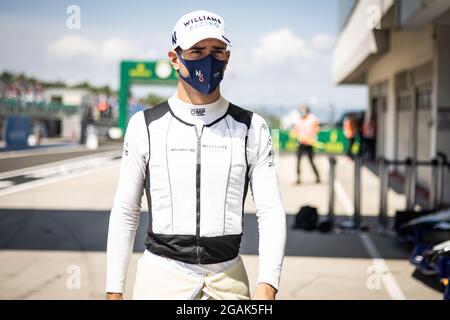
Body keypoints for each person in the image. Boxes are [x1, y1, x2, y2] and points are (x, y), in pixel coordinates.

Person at [106, 10, 286, 300]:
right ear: (175, 57)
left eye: (217, 50)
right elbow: (126, 210)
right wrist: (114, 288)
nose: (209, 58)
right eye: (197, 50)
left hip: (229, 281)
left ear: (227, 56)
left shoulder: (252, 126)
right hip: (159, 279)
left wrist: (268, 284)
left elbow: (270, 210)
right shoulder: (145, 125)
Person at [290, 104, 321, 184]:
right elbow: (295, 130)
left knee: (311, 161)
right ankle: (298, 178)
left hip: (309, 143)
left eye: (303, 110)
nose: (302, 112)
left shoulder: (312, 118)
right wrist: (294, 133)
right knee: (298, 161)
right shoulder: (299, 120)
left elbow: (317, 129)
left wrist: (311, 137)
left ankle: (317, 177)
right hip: (301, 143)